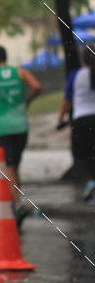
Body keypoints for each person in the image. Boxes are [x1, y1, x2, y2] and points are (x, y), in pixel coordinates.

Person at [0, 45, 41, 226]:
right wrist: (25, 101)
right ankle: (16, 202)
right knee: (14, 165)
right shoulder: (19, 72)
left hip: (1, 128)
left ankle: (17, 205)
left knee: (9, 167)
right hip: (21, 126)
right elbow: (37, 86)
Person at [58, 46, 95, 202]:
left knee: (80, 155)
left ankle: (91, 182)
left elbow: (67, 100)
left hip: (81, 121)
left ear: (83, 60)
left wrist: (60, 119)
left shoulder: (75, 75)